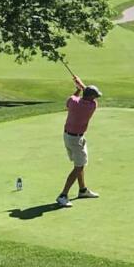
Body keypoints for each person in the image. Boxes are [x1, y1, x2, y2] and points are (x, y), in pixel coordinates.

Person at [57, 75, 102, 208]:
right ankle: (63, 195)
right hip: (76, 139)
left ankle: (82, 190)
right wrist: (81, 85)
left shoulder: (72, 101)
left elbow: (75, 97)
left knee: (80, 164)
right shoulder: (92, 105)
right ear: (90, 97)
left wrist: (78, 88)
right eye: (94, 96)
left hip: (69, 136)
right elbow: (85, 94)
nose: (96, 98)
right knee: (79, 167)